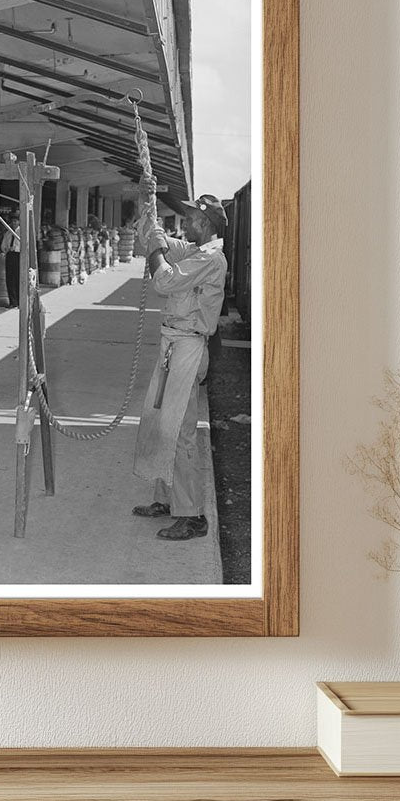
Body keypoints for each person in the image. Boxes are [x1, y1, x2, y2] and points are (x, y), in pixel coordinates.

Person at [131, 192, 228, 541]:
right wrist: (147, 207)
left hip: (187, 347)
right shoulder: (194, 251)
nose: (185, 223)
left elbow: (164, 280)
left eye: (190, 219)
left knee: (182, 433)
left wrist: (155, 249)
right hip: (174, 344)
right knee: (162, 424)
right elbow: (156, 240)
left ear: (204, 223)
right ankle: (167, 500)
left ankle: (193, 515)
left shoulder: (211, 260)